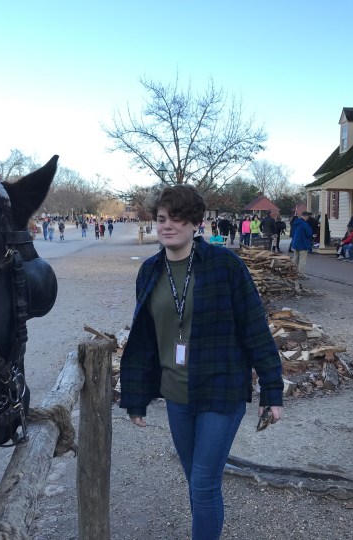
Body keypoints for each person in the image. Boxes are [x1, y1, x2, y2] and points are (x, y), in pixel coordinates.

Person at [120, 185, 283, 540]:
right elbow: (145, 340)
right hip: (176, 393)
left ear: (196, 223)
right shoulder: (149, 271)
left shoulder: (224, 265)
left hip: (220, 388)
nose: (167, 226)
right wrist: (135, 398)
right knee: (196, 481)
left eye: (177, 218)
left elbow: (254, 328)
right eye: (162, 218)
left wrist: (273, 390)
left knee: (204, 483)